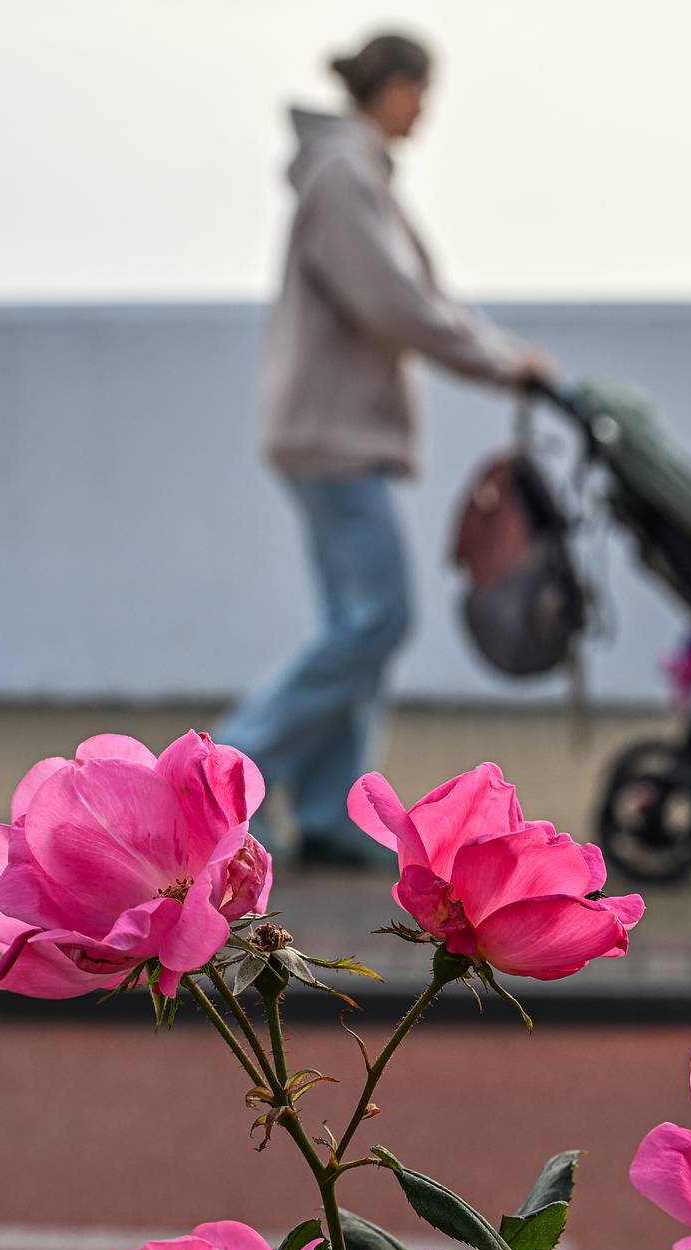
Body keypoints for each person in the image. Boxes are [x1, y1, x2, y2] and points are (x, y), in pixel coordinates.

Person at [219, 33, 550, 867]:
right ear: (395, 87)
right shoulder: (344, 173)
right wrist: (500, 363)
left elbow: (414, 297)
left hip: (333, 435)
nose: (426, 110)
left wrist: (496, 355)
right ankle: (226, 783)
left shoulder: (354, 171)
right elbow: (393, 301)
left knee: (357, 625)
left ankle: (329, 810)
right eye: (422, 91)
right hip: (331, 437)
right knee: (377, 620)